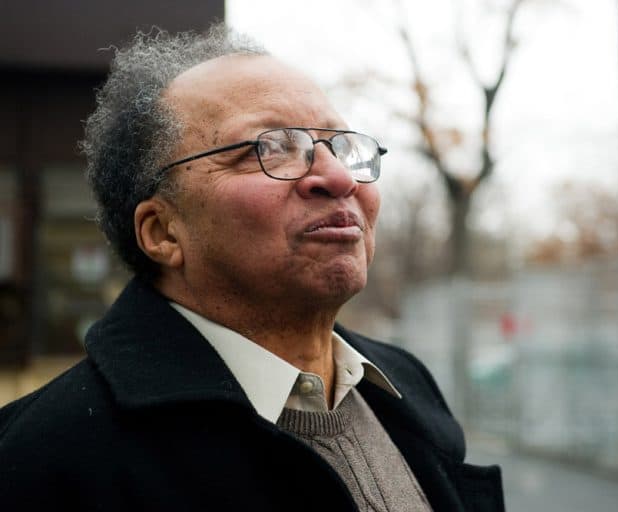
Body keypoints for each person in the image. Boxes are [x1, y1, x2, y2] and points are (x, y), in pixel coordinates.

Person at [0, 25, 503, 511]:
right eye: (271, 148)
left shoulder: (404, 382)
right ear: (163, 231)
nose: (335, 176)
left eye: (342, 145)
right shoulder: (43, 462)